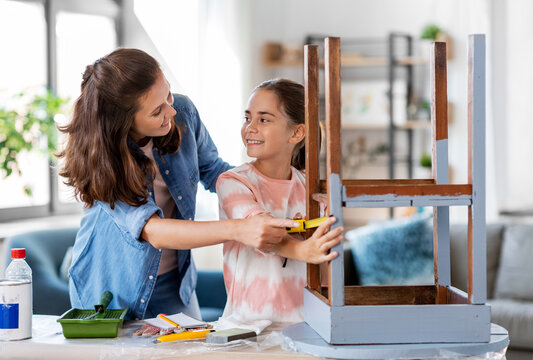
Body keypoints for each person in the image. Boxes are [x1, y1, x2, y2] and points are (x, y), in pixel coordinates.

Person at [57, 48, 303, 321]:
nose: (171, 110)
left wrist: (269, 183)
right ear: (123, 121)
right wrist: (240, 229)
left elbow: (213, 171)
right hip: (112, 288)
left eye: (168, 95)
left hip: (175, 280)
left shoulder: (183, 113)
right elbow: (153, 230)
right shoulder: (103, 158)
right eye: (156, 111)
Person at [217, 79, 344, 323]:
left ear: (297, 132)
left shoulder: (312, 189)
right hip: (246, 328)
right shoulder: (232, 182)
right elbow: (260, 231)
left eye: (263, 119)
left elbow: (324, 263)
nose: (250, 128)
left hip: (308, 325)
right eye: (247, 118)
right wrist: (301, 249)